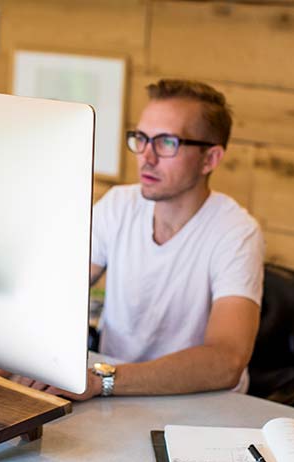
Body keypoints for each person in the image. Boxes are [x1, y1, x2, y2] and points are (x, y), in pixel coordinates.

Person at [32, 79, 265, 401]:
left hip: (199, 402)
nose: (146, 157)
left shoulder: (236, 231)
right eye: (141, 139)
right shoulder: (119, 204)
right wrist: (12, 356)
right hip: (113, 391)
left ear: (210, 159)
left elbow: (226, 361)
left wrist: (104, 381)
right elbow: (55, 291)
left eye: (166, 143)